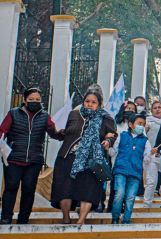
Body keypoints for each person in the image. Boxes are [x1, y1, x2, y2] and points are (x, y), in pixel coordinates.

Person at [50, 86, 117, 225]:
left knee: (88, 189)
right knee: (65, 188)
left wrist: (107, 141)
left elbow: (111, 134)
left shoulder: (106, 118)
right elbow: (68, 131)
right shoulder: (74, 114)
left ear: (99, 104)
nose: (89, 104)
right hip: (68, 156)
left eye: (93, 102)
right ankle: (66, 217)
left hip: (92, 159)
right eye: (87, 101)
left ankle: (81, 221)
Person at [0, 88, 59, 225]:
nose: (34, 102)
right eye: (31, 99)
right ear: (25, 100)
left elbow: (53, 132)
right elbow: (2, 131)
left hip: (34, 160)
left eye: (37, 100)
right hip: (13, 158)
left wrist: (63, 132)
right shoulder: (13, 113)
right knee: (11, 187)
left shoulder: (45, 116)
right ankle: (5, 218)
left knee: (29, 190)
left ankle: (23, 220)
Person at [109, 112, 151, 224]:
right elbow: (113, 152)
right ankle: (115, 217)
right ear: (131, 124)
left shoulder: (145, 141)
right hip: (120, 170)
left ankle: (126, 219)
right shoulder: (122, 136)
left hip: (135, 173)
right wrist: (107, 147)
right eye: (139, 123)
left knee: (131, 197)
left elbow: (146, 160)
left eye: (143, 124)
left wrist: (151, 154)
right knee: (119, 193)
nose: (141, 126)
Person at [142, 100, 161, 207]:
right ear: (151, 111)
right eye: (155, 108)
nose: (157, 109)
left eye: (159, 107)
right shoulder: (148, 121)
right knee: (152, 181)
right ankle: (147, 204)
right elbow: (142, 137)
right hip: (152, 155)